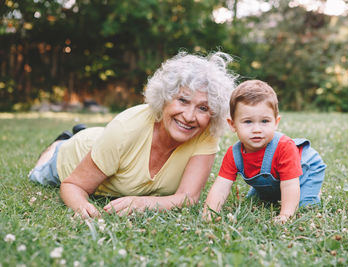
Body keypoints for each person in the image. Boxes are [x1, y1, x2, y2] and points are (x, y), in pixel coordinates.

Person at [29, 51, 237, 218]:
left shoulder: (205, 133)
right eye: (182, 100)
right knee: (38, 174)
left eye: (203, 108)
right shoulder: (127, 127)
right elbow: (72, 185)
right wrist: (82, 207)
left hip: (108, 144)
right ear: (165, 98)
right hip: (73, 156)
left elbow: (188, 197)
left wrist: (143, 202)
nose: (190, 116)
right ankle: (59, 143)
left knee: (113, 146)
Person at [203, 80, 326, 223]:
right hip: (279, 177)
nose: (257, 129)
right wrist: (209, 213)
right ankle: (274, 193)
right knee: (256, 202)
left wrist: (285, 215)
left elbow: (290, 184)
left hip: (306, 172)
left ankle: (313, 191)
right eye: (248, 122)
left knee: (304, 204)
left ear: (276, 122)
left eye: (265, 121)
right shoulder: (234, 154)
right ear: (233, 124)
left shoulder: (284, 147)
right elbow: (221, 186)